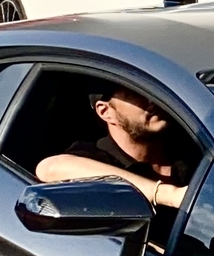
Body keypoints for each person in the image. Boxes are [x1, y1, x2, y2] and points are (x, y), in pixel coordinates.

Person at [34, 84, 197, 216]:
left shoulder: (192, 148)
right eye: (136, 92)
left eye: (153, 89)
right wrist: (169, 195)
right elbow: (49, 168)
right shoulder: (95, 158)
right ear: (105, 112)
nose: (151, 98)